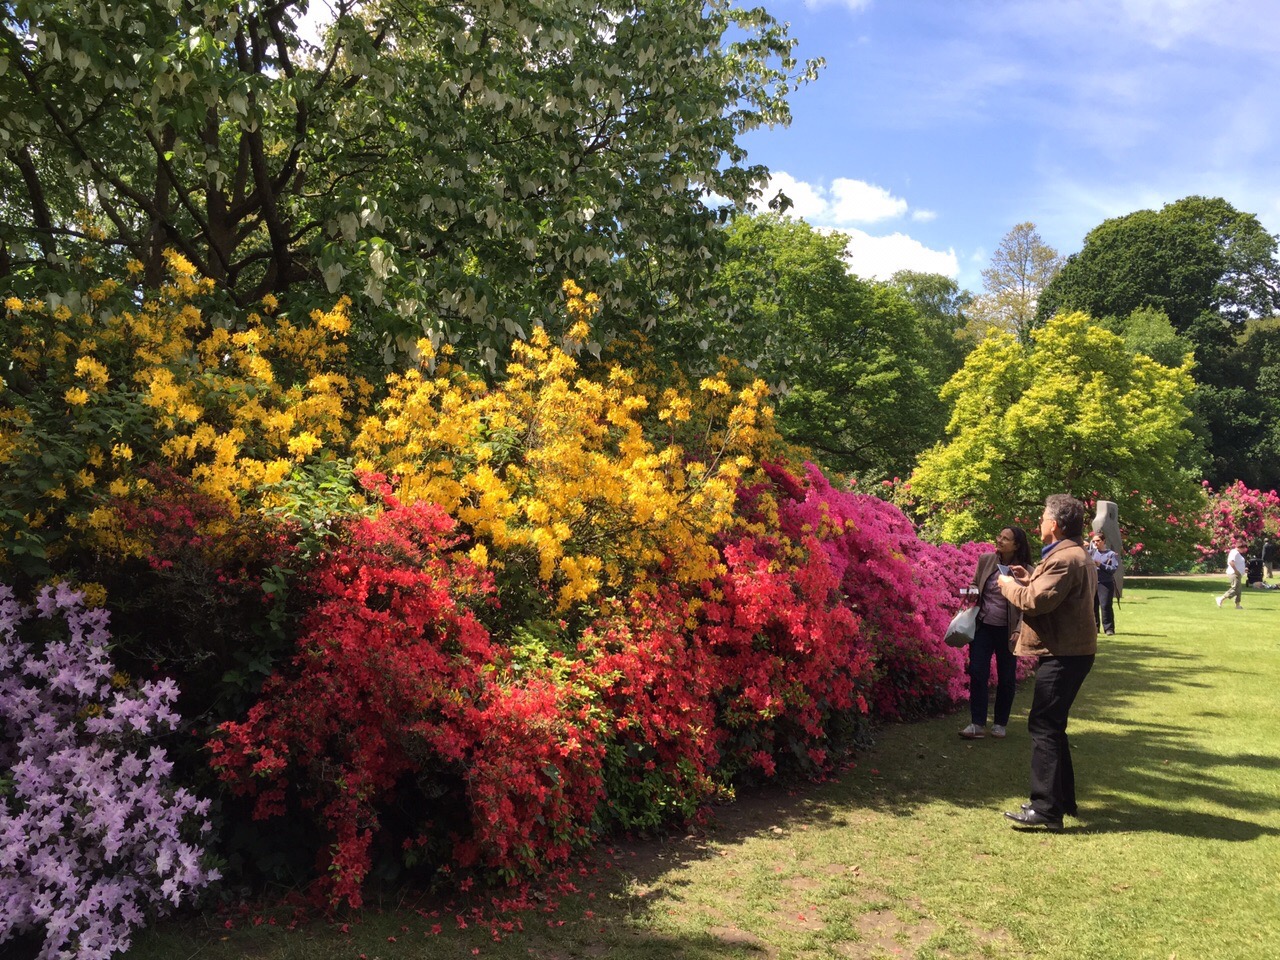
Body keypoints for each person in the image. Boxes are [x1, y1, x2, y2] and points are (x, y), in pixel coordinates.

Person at [997, 494, 1098, 831]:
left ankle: (1045, 810)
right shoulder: (1071, 554)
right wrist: (1028, 577)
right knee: (1053, 726)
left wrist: (1009, 585)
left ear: (1054, 524)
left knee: (1043, 726)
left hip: (1063, 654)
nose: (1039, 523)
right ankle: (1060, 801)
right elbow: (1050, 593)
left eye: (1042, 518)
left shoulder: (1064, 558)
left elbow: (1034, 602)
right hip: (1070, 651)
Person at [959, 526, 1032, 740]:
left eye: (1005, 538)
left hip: (1008, 631)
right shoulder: (986, 560)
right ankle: (977, 723)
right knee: (977, 672)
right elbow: (975, 583)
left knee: (1006, 678)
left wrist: (1020, 629)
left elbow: (1028, 604)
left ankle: (1000, 723)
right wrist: (972, 592)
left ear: (1016, 545)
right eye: (999, 536)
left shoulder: (1026, 570)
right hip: (984, 626)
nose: (999, 540)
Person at [1088, 531, 1119, 635]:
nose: (1096, 543)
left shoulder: (1110, 554)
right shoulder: (1091, 553)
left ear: (1103, 541)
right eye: (1094, 541)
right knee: (1093, 606)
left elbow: (1113, 569)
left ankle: (1109, 629)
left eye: (1098, 541)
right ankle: (1095, 628)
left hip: (1105, 583)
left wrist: (1100, 565)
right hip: (1093, 583)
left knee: (1105, 606)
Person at [1216, 541, 1247, 609]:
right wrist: (1236, 571)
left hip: (1238, 574)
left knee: (1238, 590)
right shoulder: (1234, 552)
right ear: (1240, 547)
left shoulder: (1238, 553)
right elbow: (1231, 562)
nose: (1245, 549)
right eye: (1244, 548)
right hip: (1233, 573)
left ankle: (1237, 605)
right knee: (1235, 588)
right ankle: (1221, 598)